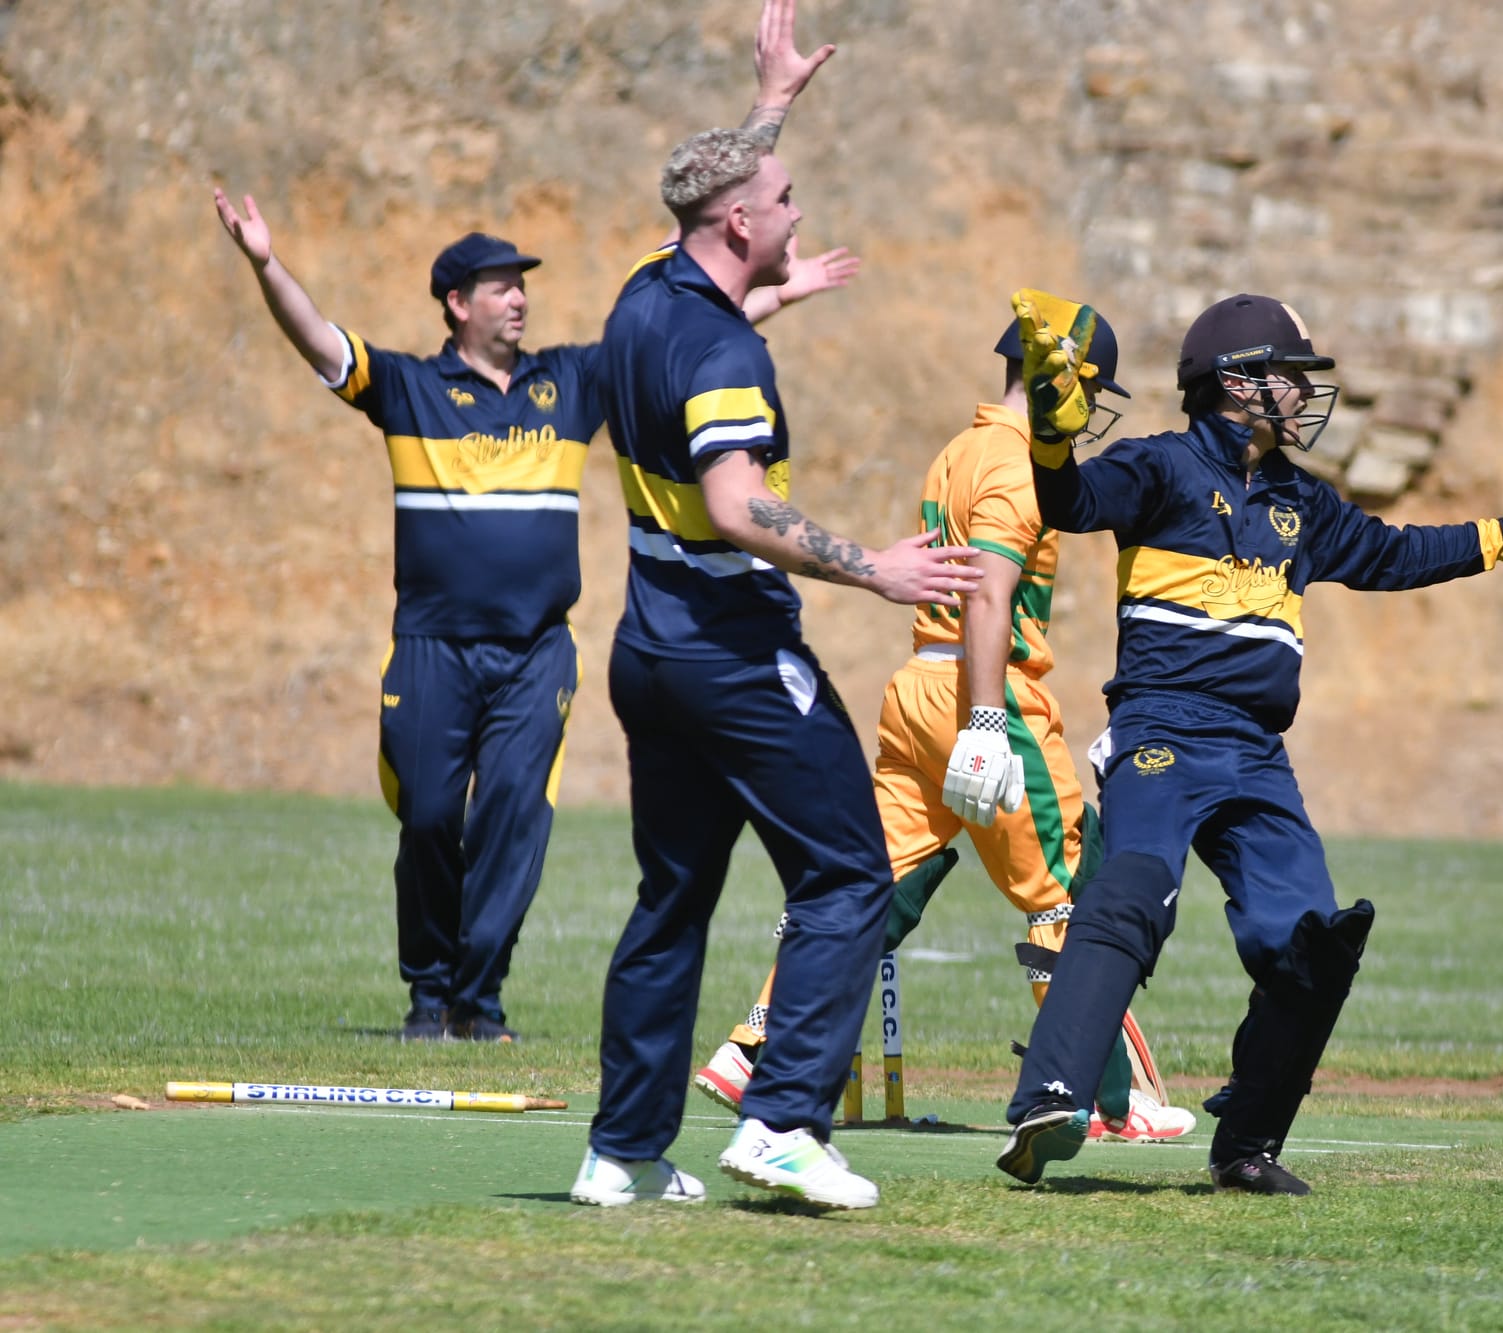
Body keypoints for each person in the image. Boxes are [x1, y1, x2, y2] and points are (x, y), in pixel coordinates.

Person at [210, 0, 854, 1045]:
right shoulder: (408, 388)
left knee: (515, 818)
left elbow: (684, 285)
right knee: (427, 815)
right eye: (500, 286)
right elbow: (322, 343)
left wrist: (776, 258)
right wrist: (265, 265)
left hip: (533, 652)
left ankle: (478, 996)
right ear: (455, 302)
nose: (518, 298)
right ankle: (426, 984)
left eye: (520, 284)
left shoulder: (572, 381)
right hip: (429, 646)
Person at [993, 290, 1503, 1194]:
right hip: (1163, 731)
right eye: (1291, 377)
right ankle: (1048, 1099)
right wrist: (1051, 438)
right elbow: (1067, 499)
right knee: (1135, 890)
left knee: (1314, 939)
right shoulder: (1159, 469)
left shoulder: (1303, 500)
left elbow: (1395, 553)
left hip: (1255, 752)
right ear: (1236, 382)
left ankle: (1247, 1146)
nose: (1304, 394)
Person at [567, 118, 984, 1213]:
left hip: (647, 650)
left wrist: (768, 100)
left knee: (673, 896)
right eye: (787, 196)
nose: (800, 213)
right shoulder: (725, 353)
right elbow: (735, 500)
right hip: (734, 657)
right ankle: (785, 1121)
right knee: (850, 873)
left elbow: (710, 204)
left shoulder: (640, 293)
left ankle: (620, 1153)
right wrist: (872, 569)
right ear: (741, 220)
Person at [690, 314, 1196, 1144]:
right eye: (1091, 389)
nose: (1091, 408)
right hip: (984, 694)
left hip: (917, 685)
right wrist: (991, 717)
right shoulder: (1017, 462)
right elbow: (988, 593)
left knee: (872, 887)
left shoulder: (957, 449)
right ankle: (1108, 1097)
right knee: (1073, 894)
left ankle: (755, 1049)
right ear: (1064, 381)